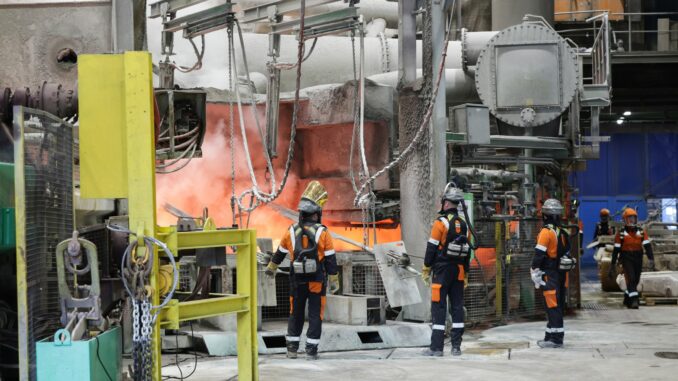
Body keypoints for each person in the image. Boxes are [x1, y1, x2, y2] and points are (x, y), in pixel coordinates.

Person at [265, 181, 340, 359]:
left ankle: (291, 348)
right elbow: (330, 260)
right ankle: (311, 350)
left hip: (297, 281)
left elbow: (279, 253)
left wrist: (271, 268)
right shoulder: (323, 233)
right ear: (316, 213)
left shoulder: (290, 231)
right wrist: (335, 280)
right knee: (315, 314)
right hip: (316, 282)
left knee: (295, 313)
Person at [421, 183, 471, 357]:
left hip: (442, 271)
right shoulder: (464, 224)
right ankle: (456, 347)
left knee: (439, 307)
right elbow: (467, 253)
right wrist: (466, 274)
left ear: (446, 203)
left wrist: (426, 268)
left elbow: (431, 248)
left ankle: (436, 348)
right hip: (458, 271)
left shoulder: (440, 223)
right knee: (457, 307)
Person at [530, 199, 575, 349]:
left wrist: (534, 269)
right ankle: (550, 335)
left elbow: (539, 254)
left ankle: (556, 339)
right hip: (560, 274)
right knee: (556, 304)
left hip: (550, 274)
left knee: (552, 305)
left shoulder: (546, 232)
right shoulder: (563, 232)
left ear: (545, 214)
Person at [609, 208, 654, 309]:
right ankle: (634, 300)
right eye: (630, 218)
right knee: (631, 278)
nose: (632, 220)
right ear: (625, 220)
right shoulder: (620, 234)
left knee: (636, 280)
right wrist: (612, 264)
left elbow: (647, 246)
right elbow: (616, 250)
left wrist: (651, 259)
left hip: (638, 257)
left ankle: (627, 297)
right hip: (626, 257)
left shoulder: (641, 232)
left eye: (634, 218)